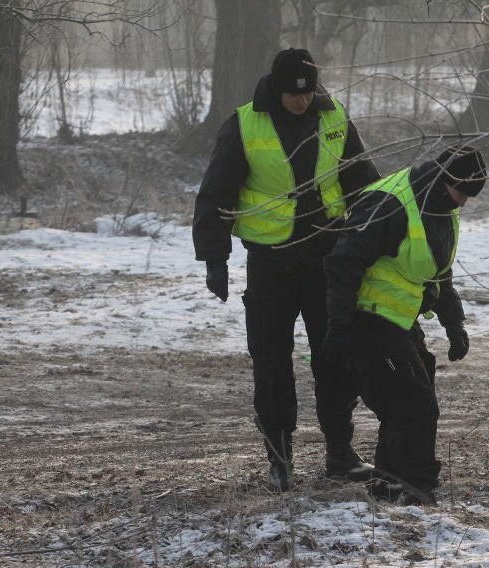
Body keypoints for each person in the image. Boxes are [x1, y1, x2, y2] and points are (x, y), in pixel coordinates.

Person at [192, 48, 381, 492]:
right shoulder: (245, 123)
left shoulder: (335, 117)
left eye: (308, 91)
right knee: (272, 363)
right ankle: (279, 459)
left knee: (335, 356)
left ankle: (340, 451)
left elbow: (364, 183)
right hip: (271, 264)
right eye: (293, 93)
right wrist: (215, 260)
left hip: (327, 259)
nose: (302, 100)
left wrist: (376, 240)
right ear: (276, 88)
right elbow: (215, 193)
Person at [322, 145, 487, 505]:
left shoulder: (442, 205)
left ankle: (389, 487)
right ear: (446, 182)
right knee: (415, 405)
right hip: (366, 319)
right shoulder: (389, 205)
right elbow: (342, 264)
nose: (464, 204)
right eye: (462, 194)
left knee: (405, 401)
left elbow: (439, 272)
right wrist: (339, 327)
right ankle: (415, 489)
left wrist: (453, 322)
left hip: (398, 319)